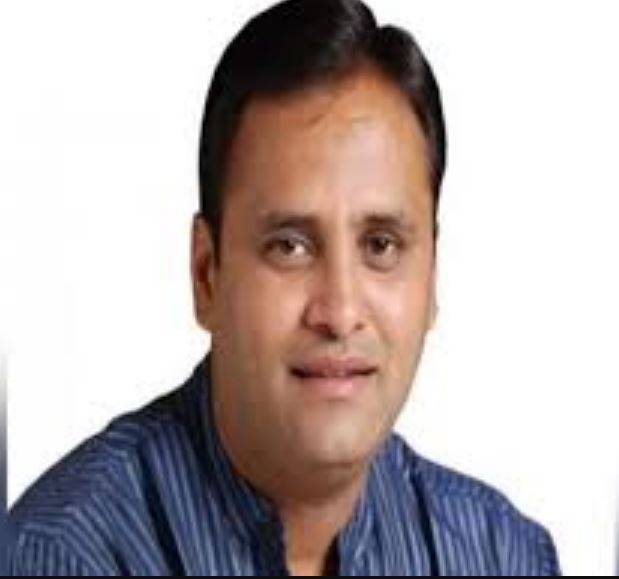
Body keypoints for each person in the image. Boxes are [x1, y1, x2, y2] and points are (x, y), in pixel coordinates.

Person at [8, 0, 560, 575]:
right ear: (206, 274)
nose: (340, 312)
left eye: (381, 245)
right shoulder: (60, 557)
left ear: (433, 276)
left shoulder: (503, 556)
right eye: (290, 246)